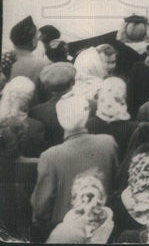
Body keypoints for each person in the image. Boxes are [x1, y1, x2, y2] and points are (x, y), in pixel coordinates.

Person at [31, 95, 118, 239]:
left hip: (66, 232)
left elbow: (41, 207)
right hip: (103, 226)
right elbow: (115, 184)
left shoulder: (50, 156)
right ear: (87, 114)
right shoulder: (108, 143)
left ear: (60, 119)